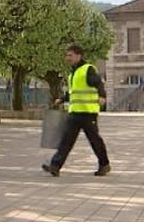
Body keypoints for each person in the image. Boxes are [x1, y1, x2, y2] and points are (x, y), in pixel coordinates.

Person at [42, 44, 111, 177]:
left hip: (88, 113)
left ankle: (104, 164)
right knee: (66, 141)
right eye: (67, 55)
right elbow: (73, 92)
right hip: (74, 113)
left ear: (79, 55)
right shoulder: (73, 73)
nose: (67, 58)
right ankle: (55, 166)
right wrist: (62, 99)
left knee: (95, 140)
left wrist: (102, 96)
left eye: (70, 55)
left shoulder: (88, 69)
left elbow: (98, 83)